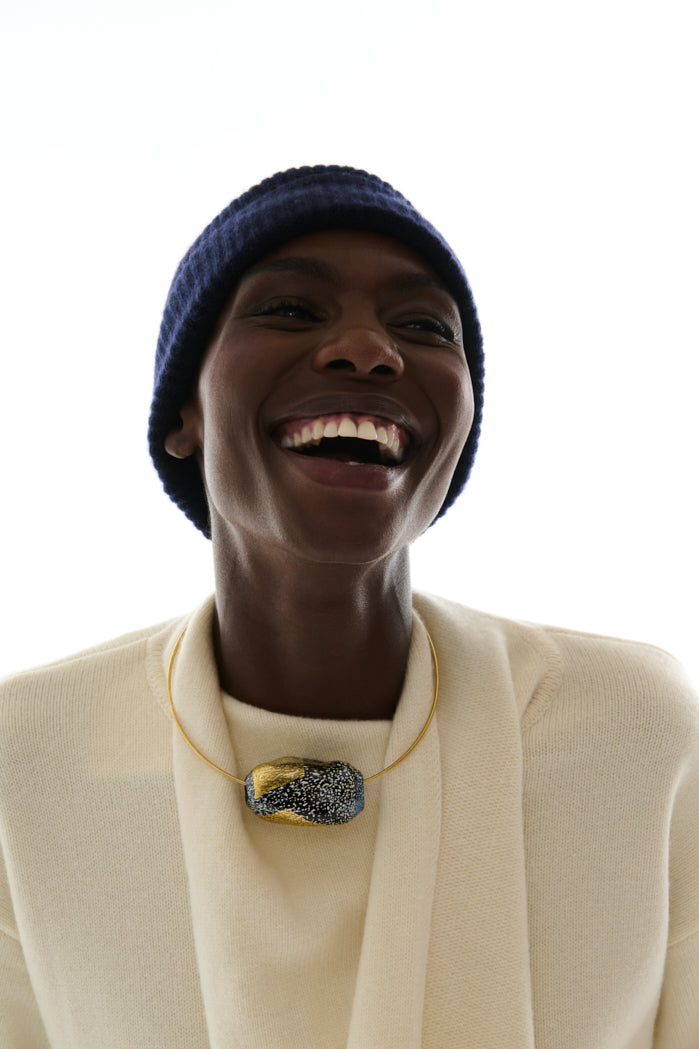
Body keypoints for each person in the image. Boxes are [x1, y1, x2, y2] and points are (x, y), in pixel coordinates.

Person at [0, 165, 697, 1049]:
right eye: (290, 309)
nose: (369, 349)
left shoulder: (635, 731)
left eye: (423, 326)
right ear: (182, 412)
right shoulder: (28, 756)